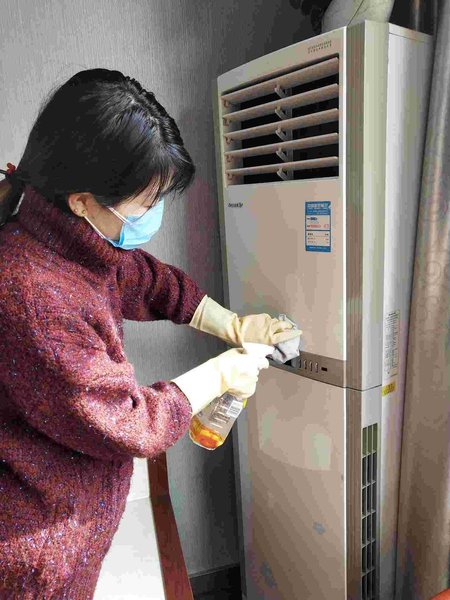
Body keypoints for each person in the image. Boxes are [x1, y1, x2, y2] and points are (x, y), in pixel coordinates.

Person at [0, 68, 301, 598]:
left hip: (70, 522)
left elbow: (144, 278)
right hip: (35, 555)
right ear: (83, 200)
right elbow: (127, 423)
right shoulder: (32, 295)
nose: (153, 215)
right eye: (145, 202)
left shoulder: (64, 236)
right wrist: (221, 374)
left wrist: (231, 323)